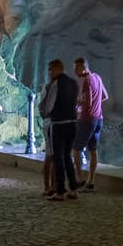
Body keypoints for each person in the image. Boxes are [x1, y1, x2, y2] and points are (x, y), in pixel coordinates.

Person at [45, 59, 80, 200]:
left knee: (58, 157)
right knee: (67, 156)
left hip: (58, 123)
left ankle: (60, 191)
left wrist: (47, 113)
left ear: (56, 69)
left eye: (50, 70)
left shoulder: (56, 84)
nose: (49, 73)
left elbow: (49, 106)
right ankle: (73, 188)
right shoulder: (73, 83)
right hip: (72, 123)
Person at [73, 57, 108, 191]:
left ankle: (79, 179)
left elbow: (87, 103)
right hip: (99, 118)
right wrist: (96, 105)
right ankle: (91, 180)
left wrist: (77, 104)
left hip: (87, 119)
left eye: (77, 68)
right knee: (93, 150)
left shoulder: (87, 81)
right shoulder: (97, 78)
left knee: (76, 149)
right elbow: (105, 96)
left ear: (84, 68)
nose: (75, 71)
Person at [38, 74, 56, 197]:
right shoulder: (50, 87)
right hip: (50, 123)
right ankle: (48, 186)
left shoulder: (50, 87)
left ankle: (52, 185)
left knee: (52, 155)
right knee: (50, 155)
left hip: (52, 123)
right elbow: (44, 107)